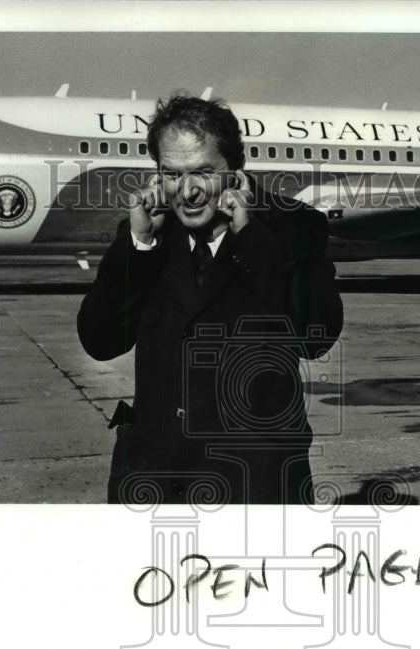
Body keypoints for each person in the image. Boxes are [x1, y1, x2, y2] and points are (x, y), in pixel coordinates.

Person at [78, 93, 343, 505]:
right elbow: (99, 341)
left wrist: (251, 240)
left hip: (254, 484)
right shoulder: (148, 233)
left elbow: (317, 335)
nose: (188, 192)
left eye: (202, 172)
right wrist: (138, 246)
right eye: (172, 174)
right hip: (156, 480)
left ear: (235, 171)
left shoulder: (291, 227)